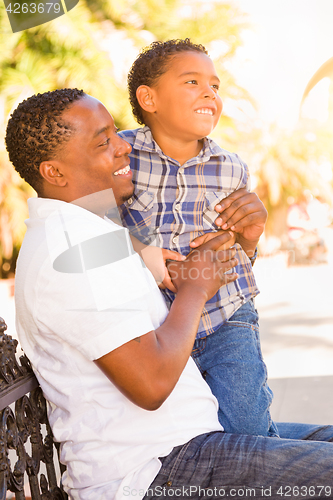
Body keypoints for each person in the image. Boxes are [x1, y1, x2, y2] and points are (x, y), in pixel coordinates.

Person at [6, 89, 333, 500]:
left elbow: (132, 283)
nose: (124, 146)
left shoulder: (82, 234)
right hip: (153, 471)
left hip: (186, 441)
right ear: (54, 172)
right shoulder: (73, 248)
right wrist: (195, 289)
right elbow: (150, 383)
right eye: (104, 141)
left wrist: (179, 261)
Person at [118, 38, 274, 436]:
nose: (209, 92)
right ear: (148, 99)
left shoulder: (231, 169)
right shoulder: (122, 157)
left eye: (215, 86)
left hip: (228, 317)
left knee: (246, 426)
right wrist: (140, 250)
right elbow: (95, 223)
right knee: (189, 432)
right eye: (192, 82)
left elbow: (234, 253)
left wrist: (248, 245)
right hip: (156, 326)